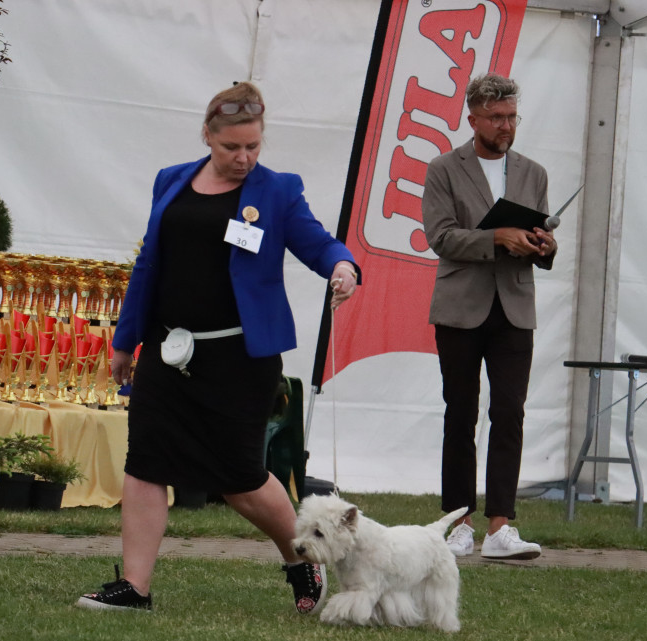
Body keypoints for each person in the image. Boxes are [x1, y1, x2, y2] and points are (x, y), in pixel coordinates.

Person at [75, 82, 360, 612]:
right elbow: (148, 266)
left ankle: (302, 562)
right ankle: (134, 588)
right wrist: (125, 341)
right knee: (145, 465)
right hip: (168, 351)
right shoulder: (171, 182)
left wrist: (342, 266)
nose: (244, 158)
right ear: (207, 135)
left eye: (253, 146)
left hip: (239, 358)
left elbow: (317, 242)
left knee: (241, 481)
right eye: (232, 147)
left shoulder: (277, 191)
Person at [421, 73, 556, 560]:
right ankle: (459, 521)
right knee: (460, 415)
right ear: (473, 117)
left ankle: (502, 527)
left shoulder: (533, 173)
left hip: (515, 307)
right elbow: (440, 236)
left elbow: (540, 242)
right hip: (460, 308)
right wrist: (496, 238)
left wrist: (544, 245)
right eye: (496, 118)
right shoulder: (443, 168)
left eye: (512, 117)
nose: (506, 125)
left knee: (510, 415)